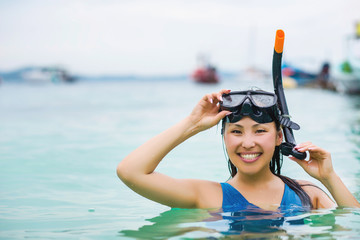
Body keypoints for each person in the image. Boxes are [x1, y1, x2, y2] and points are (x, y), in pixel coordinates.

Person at [117, 89, 360, 211]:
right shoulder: (206, 195)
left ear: (279, 138)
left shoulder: (307, 194)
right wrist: (191, 125)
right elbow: (130, 172)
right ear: (224, 138)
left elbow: (353, 226)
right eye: (236, 131)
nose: (247, 143)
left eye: (259, 130)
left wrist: (329, 177)